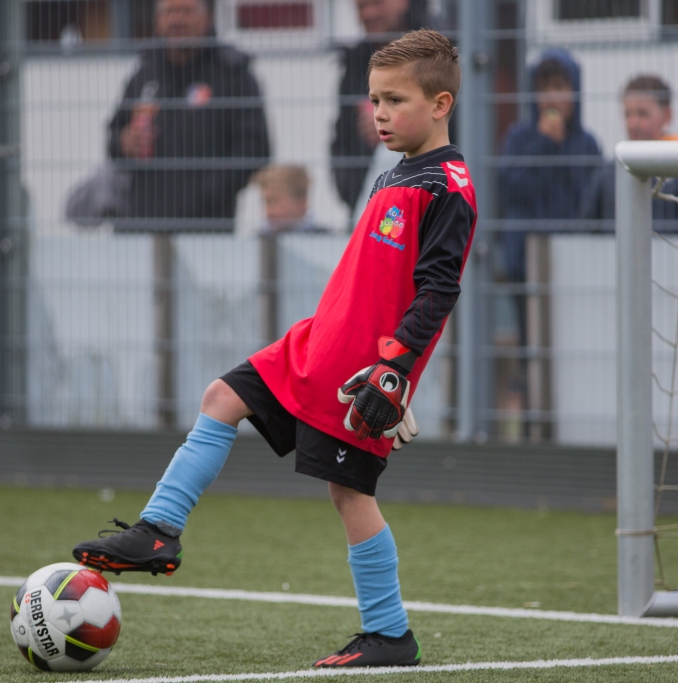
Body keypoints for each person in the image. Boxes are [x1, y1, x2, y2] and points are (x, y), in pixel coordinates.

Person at [73, 29, 474, 669]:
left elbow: (439, 289)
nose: (379, 113)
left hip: (358, 368)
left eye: (395, 101)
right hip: (316, 340)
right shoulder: (398, 171)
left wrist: (394, 369)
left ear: (440, 104)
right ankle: (158, 531)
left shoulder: (447, 187)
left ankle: (389, 635)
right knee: (221, 396)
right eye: (374, 100)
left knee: (349, 493)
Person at [107, 0, 271, 233]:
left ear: (208, 18)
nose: (176, 20)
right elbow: (114, 136)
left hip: (206, 226)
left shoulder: (232, 72)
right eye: (168, 12)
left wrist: (208, 193)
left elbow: (255, 149)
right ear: (157, 20)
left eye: (186, 11)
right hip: (142, 225)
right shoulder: (145, 71)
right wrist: (124, 142)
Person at [497, 49, 602, 282]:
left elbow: (592, 202)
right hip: (525, 260)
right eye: (543, 88)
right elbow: (511, 191)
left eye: (559, 87)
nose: (551, 97)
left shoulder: (587, 144)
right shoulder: (518, 138)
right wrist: (544, 144)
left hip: (576, 258)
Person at [330, 0, 420, 211]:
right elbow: (342, 138)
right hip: (372, 207)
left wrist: (398, 125)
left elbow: (457, 126)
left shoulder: (439, 52)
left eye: (377, 3)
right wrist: (356, 195)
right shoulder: (355, 63)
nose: (369, 13)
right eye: (361, 7)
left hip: (427, 204)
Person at [580, 74, 678, 227]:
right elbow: (586, 229)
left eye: (642, 114)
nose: (633, 123)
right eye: (627, 114)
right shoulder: (608, 174)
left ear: (667, 115)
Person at [252, 165, 329, 233]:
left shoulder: (325, 240)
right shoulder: (258, 239)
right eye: (266, 203)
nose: (269, 212)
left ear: (301, 202)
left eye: (274, 202)